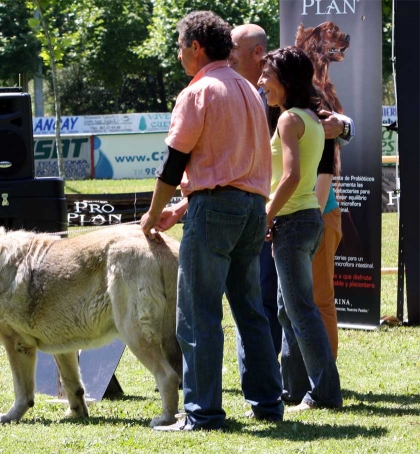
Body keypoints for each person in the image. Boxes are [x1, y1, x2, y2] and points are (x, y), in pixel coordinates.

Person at [140, 11, 283, 431]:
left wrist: (152, 214)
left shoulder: (197, 92)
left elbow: (174, 163)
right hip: (253, 211)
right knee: (250, 311)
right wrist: (182, 208)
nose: (180, 55)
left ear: (196, 47)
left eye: (181, 47)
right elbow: (237, 169)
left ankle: (202, 413)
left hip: (215, 212)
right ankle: (268, 404)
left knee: (198, 313)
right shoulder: (250, 91)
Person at [229, 24, 354, 358]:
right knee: (279, 301)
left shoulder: (300, 106)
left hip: (299, 212)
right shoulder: (248, 95)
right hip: (275, 213)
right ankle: (288, 376)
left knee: (309, 303)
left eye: (234, 51)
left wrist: (343, 125)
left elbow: (326, 146)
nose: (229, 58)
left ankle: (322, 378)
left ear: (258, 55)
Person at [258, 46, 342, 411]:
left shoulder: (289, 120)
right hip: (307, 220)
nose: (261, 83)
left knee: (301, 311)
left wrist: (266, 215)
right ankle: (292, 390)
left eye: (267, 76)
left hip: (292, 222)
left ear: (286, 80)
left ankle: (324, 393)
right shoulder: (310, 117)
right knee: (287, 310)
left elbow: (290, 176)